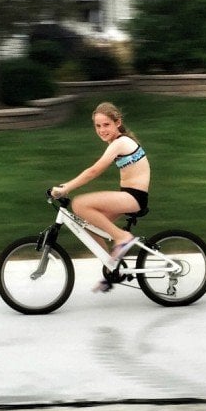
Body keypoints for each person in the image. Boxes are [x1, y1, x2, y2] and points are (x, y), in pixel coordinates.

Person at [51, 102, 150, 288]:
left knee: (80, 204)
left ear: (117, 122)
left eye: (106, 125)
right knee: (90, 226)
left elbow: (94, 171)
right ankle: (112, 268)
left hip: (134, 197)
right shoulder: (118, 142)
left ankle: (123, 238)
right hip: (130, 196)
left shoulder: (120, 143)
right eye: (98, 126)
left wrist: (66, 188)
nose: (102, 130)